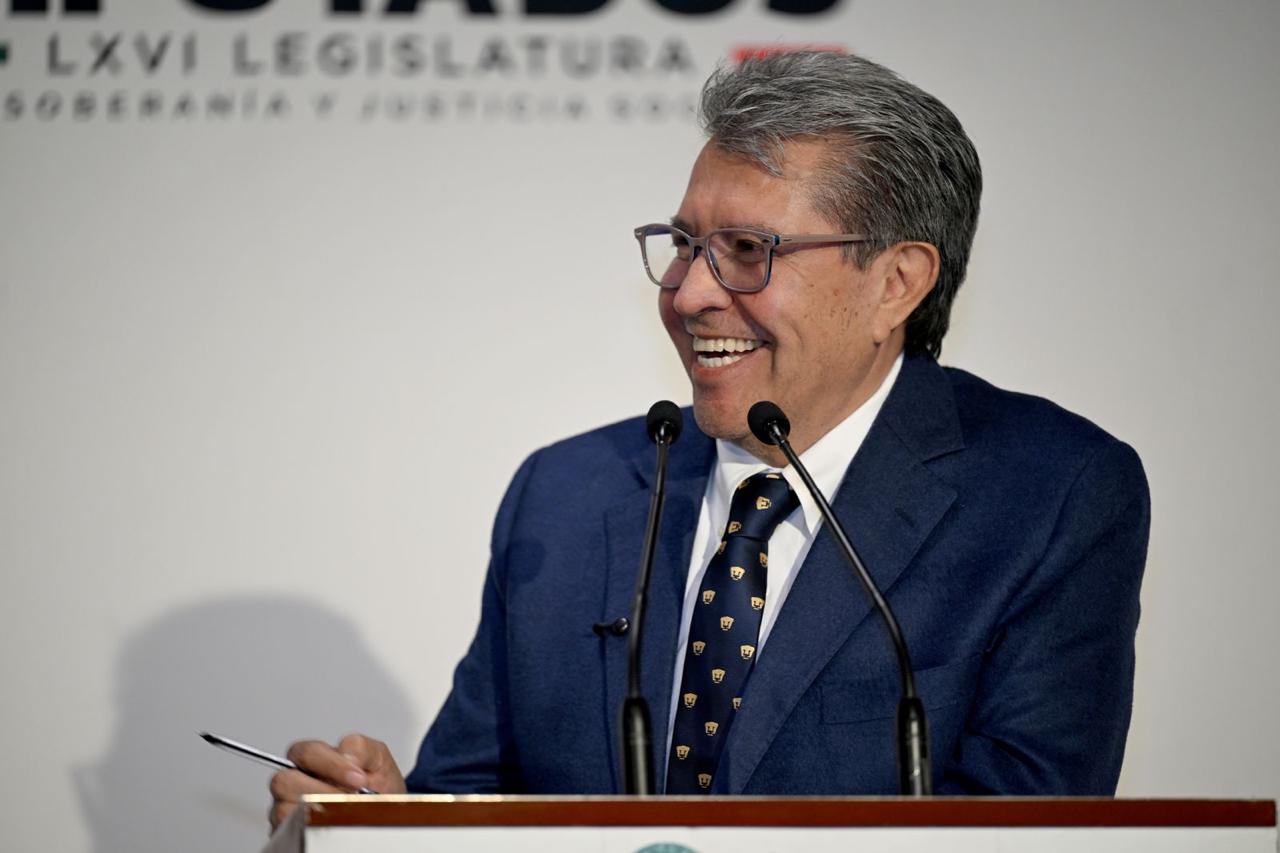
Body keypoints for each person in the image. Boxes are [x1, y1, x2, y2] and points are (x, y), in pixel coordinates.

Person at [269, 50, 1149, 827]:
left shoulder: (1052, 494)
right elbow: (477, 797)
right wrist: (392, 824)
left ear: (896, 282)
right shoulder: (565, 494)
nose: (690, 292)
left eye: (748, 250)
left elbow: (1020, 828)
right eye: (687, 244)